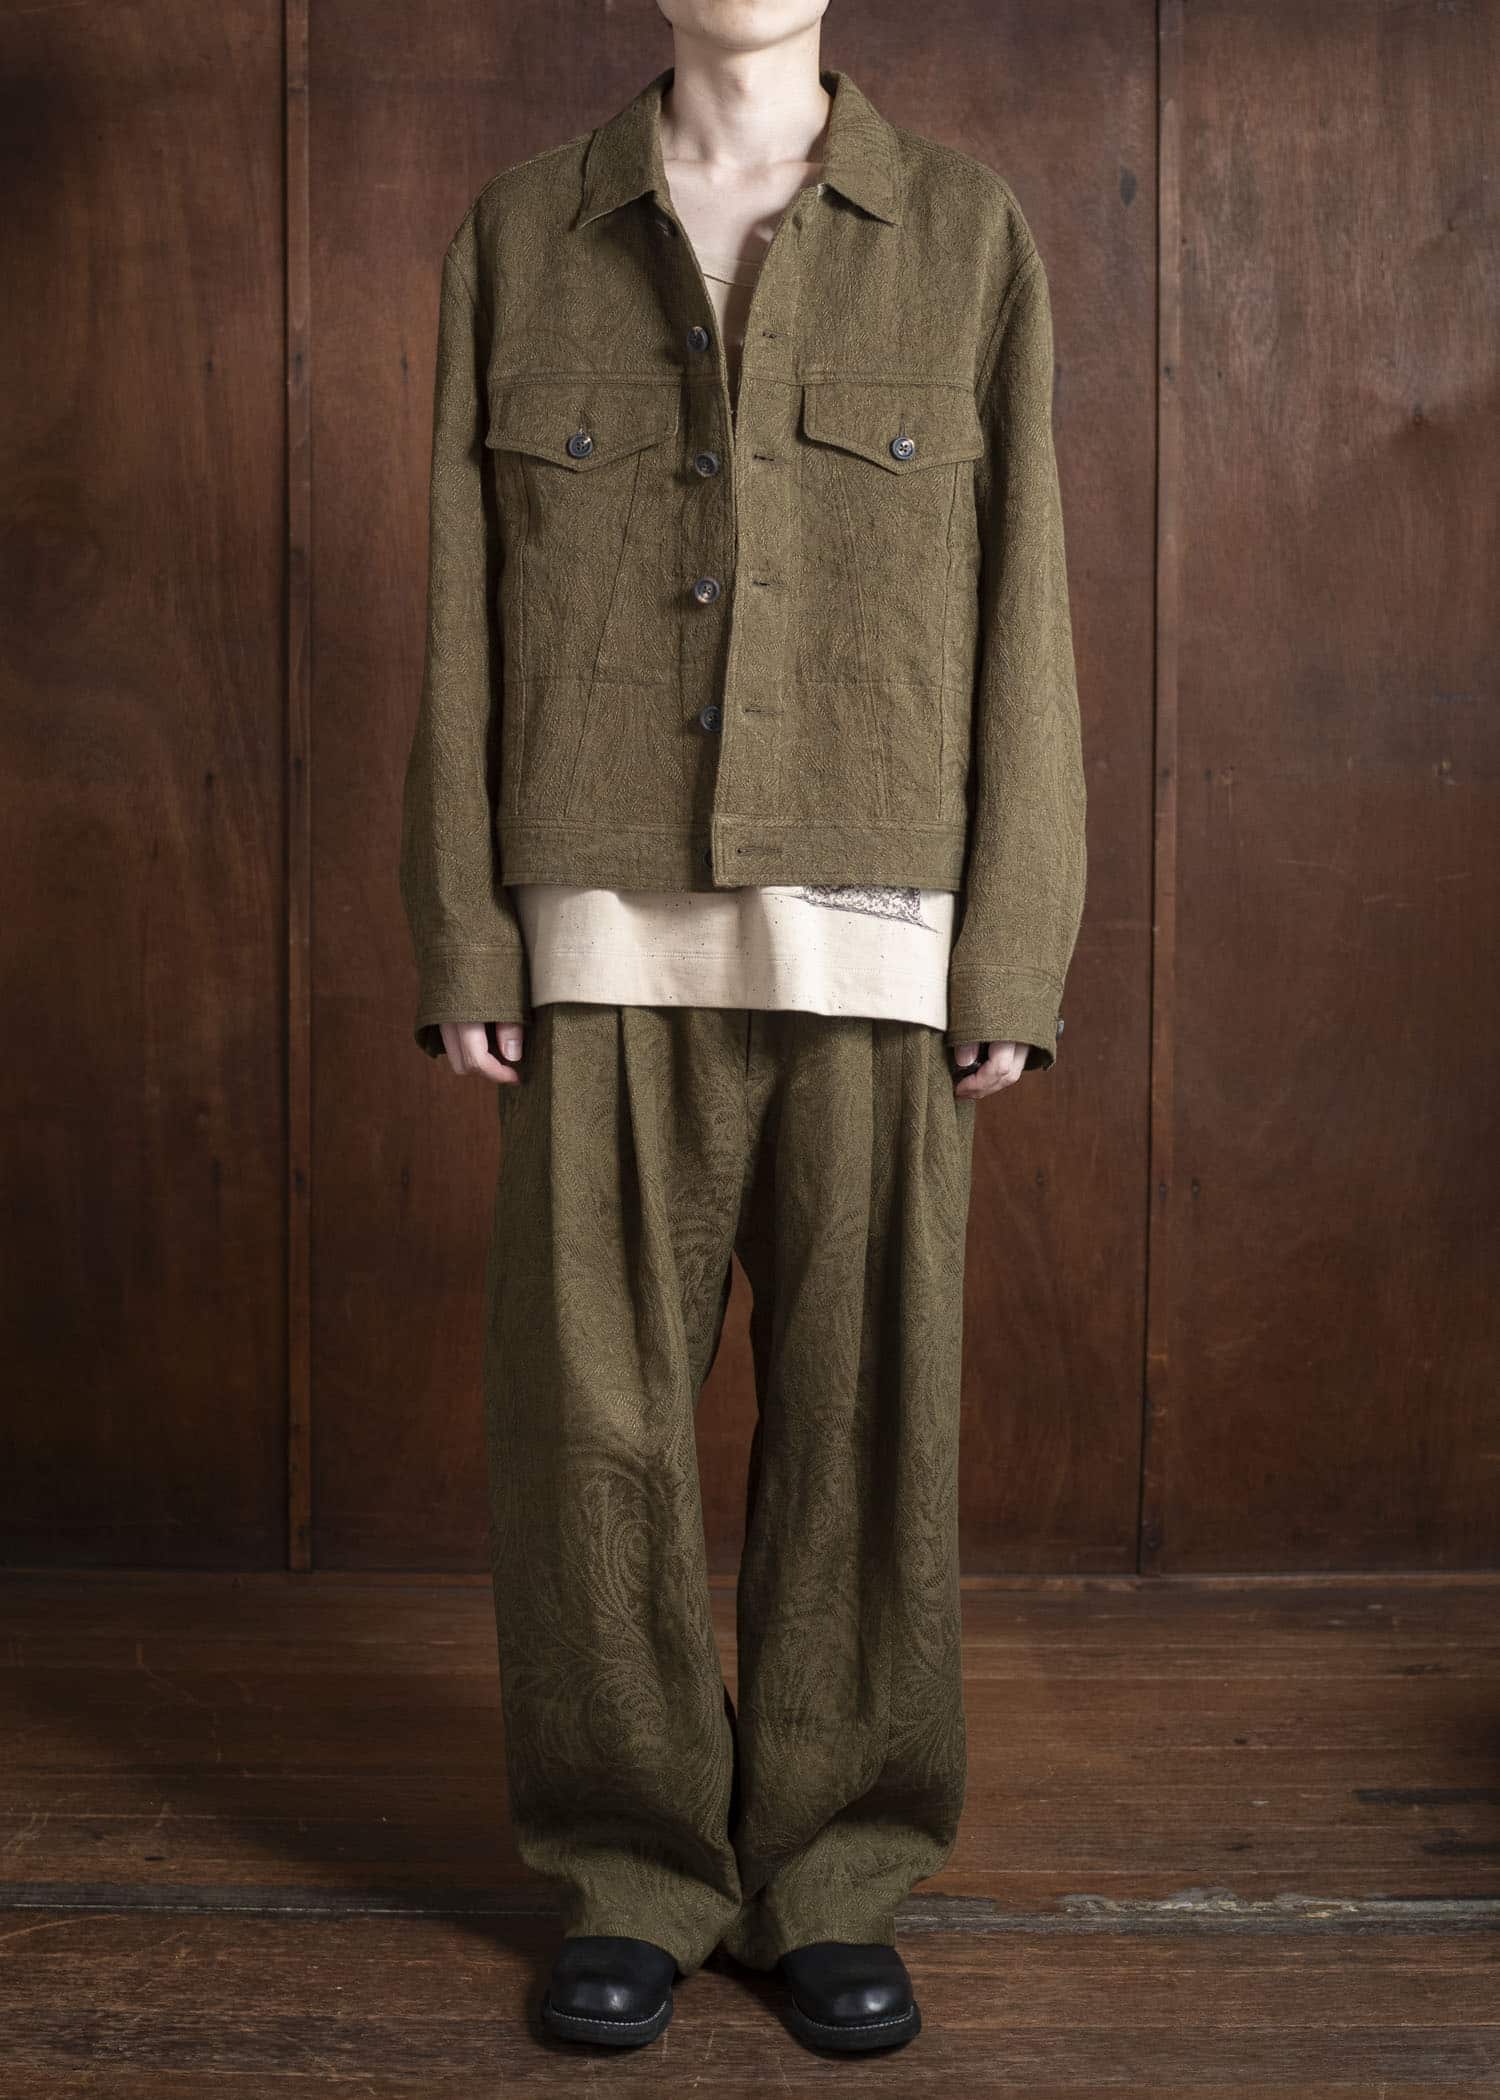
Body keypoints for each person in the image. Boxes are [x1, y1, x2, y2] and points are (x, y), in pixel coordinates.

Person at [398, 0, 1086, 2058]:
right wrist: (464, 932)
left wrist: (1014, 950)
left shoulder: (965, 234)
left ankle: (833, 1871)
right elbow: (458, 597)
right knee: (590, 1433)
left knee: (870, 1425)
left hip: (879, 932)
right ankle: (633, 1871)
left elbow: (1027, 592)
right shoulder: (522, 235)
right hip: (597, 925)